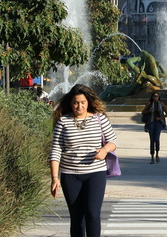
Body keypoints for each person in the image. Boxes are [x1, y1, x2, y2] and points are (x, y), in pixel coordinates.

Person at [49, 84, 118, 236]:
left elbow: (113, 141)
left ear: (88, 102)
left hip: (95, 173)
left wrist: (105, 150)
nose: (79, 106)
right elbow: (55, 150)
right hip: (70, 175)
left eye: (82, 103)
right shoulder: (63, 122)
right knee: (77, 217)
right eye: (75, 103)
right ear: (70, 103)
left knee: (93, 214)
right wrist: (54, 178)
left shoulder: (99, 119)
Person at [142, 92, 167, 164]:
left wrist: (160, 118)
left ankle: (157, 154)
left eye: (157, 96)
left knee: (157, 139)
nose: (156, 97)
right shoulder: (149, 103)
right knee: (152, 139)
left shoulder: (161, 104)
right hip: (150, 122)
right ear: (152, 97)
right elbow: (143, 112)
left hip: (158, 123)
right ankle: (152, 157)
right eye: (154, 96)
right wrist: (149, 111)